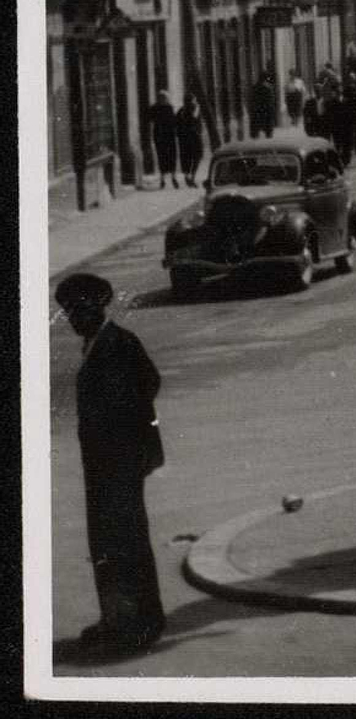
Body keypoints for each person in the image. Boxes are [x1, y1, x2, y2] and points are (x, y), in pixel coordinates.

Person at [54, 272, 166, 655]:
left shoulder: (117, 343)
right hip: (105, 466)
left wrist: (130, 435)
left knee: (124, 543)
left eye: (78, 312)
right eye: (69, 313)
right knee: (108, 543)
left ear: (96, 309)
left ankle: (137, 625)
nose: (73, 320)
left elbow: (149, 381)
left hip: (117, 464)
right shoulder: (97, 343)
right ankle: (118, 619)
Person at [147, 91, 180, 190]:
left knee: (169, 156)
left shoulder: (167, 107)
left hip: (166, 135)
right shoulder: (164, 108)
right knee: (164, 157)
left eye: (164, 98)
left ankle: (171, 177)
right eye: (162, 98)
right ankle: (164, 179)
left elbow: (173, 121)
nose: (163, 99)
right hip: (163, 135)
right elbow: (151, 119)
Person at [174, 93, 205, 187]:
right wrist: (197, 108)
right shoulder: (194, 108)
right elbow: (194, 118)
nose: (195, 101)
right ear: (192, 100)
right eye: (194, 99)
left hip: (184, 138)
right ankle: (191, 176)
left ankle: (188, 176)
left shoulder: (180, 110)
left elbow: (176, 124)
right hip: (194, 136)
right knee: (198, 155)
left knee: (186, 157)